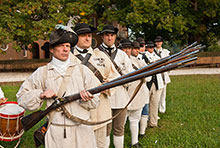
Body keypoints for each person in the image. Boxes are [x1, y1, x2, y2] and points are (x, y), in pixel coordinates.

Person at [16, 27, 100, 148]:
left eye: (67, 46)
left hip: (83, 131)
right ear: (51, 49)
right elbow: (22, 97)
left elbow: (96, 101)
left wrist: (87, 98)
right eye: (61, 45)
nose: (65, 49)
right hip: (56, 133)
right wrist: (40, 94)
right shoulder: (42, 72)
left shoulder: (82, 70)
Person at [71, 23, 120, 148]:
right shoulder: (68, 58)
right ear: (75, 37)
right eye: (83, 36)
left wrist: (109, 85)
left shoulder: (101, 55)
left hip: (100, 110)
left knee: (101, 144)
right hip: (78, 112)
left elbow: (114, 76)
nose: (87, 38)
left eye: (89, 35)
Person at [97, 25, 133, 148]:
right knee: (105, 130)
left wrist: (121, 80)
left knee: (119, 128)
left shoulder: (122, 55)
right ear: (102, 36)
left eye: (112, 35)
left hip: (120, 96)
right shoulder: (95, 54)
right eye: (107, 35)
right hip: (103, 98)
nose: (109, 37)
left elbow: (130, 76)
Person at [125, 40, 150, 147]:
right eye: (133, 48)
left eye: (135, 48)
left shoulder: (139, 61)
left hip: (138, 94)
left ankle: (134, 142)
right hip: (126, 95)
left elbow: (148, 77)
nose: (134, 50)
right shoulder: (122, 61)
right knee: (120, 124)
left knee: (135, 120)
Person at [141, 41, 164, 128]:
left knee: (155, 103)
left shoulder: (157, 56)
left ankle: (153, 123)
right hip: (148, 83)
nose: (150, 49)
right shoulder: (143, 56)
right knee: (145, 105)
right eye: (149, 47)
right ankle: (143, 124)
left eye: (152, 47)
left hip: (157, 82)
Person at [154, 36, 171, 113]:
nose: (158, 43)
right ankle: (155, 109)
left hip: (164, 74)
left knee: (163, 93)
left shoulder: (166, 52)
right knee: (156, 93)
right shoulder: (152, 52)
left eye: (159, 41)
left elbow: (168, 64)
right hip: (156, 74)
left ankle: (162, 109)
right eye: (157, 42)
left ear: (162, 42)